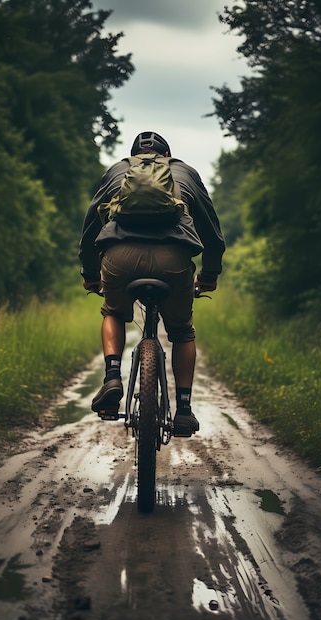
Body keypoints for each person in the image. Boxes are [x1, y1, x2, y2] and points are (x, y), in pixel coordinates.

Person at [79, 131, 225, 436]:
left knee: (114, 313)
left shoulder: (118, 170)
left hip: (120, 258)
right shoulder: (185, 173)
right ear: (167, 156)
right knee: (183, 331)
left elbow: (92, 222)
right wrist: (209, 277)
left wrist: (91, 273)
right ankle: (184, 410)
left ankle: (112, 376)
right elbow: (211, 232)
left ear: (134, 158)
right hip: (173, 261)